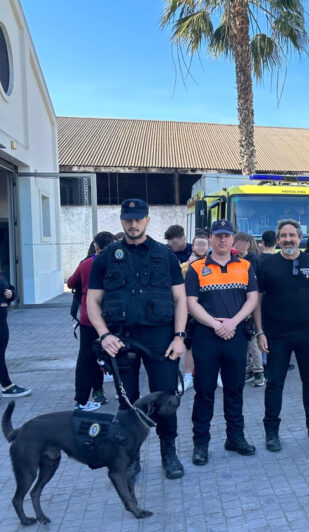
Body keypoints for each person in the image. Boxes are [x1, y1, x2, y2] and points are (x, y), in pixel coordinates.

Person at [86, 198, 187, 480]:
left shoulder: (165, 255)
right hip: (121, 339)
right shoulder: (106, 257)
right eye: (128, 219)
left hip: (160, 338)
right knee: (127, 402)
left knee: (165, 399)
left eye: (138, 219)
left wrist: (179, 337)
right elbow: (92, 301)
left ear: (147, 220)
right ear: (121, 221)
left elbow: (180, 299)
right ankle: (131, 458)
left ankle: (169, 453)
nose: (133, 224)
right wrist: (104, 335)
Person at [254, 220, 309, 452]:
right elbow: (256, 301)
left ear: (300, 238)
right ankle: (271, 432)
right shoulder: (266, 264)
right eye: (283, 235)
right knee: (274, 383)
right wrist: (259, 332)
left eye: (292, 235)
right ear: (278, 239)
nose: (288, 239)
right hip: (276, 335)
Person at [185, 220, 260, 465]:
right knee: (204, 392)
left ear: (233, 239)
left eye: (227, 236)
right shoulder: (196, 268)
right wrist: (216, 325)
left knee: (235, 390)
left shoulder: (245, 266)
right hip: (206, 336)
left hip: (235, 335)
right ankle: (201, 444)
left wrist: (233, 323)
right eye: (218, 236)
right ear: (211, 238)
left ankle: (235, 438)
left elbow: (252, 299)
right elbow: (191, 303)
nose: (222, 240)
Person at [67, 231, 117, 411]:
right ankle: (125, 394)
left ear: (96, 247)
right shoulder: (118, 263)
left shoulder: (87, 264)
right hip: (112, 318)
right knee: (117, 355)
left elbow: (71, 283)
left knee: (86, 359)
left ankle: (82, 399)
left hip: (89, 319)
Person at [233, 232, 265, 387]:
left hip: (251, 303)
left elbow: (258, 285)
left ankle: (259, 371)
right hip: (237, 304)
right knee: (242, 337)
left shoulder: (254, 260)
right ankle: (247, 369)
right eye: (235, 242)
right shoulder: (233, 259)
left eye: (239, 242)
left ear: (246, 244)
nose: (236, 245)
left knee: (251, 337)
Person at [180, 232, 210, 391]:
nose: (201, 247)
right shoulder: (185, 266)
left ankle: (213, 374)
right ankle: (187, 375)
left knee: (211, 343)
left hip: (208, 309)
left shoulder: (213, 264)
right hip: (190, 311)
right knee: (189, 344)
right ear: (193, 246)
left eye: (204, 245)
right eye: (198, 244)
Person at [0, 272, 28, 398]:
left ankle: (6, 385)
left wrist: (10, 294)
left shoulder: (1, 276)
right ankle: (7, 386)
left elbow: (11, 290)